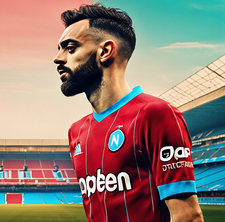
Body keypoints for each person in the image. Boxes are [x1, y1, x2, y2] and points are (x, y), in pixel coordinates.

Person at [53, 4, 204, 222]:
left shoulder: (155, 114)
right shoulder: (76, 132)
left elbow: (188, 217)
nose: (58, 58)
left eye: (69, 48)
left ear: (105, 51)